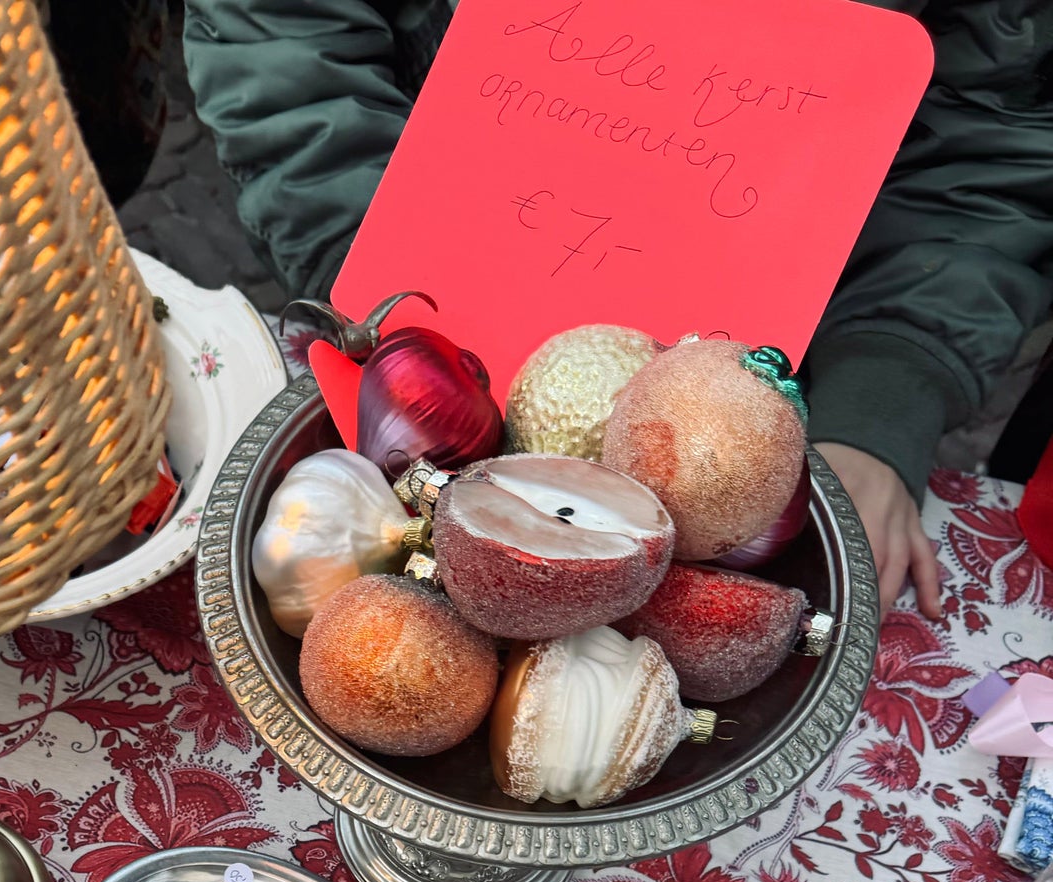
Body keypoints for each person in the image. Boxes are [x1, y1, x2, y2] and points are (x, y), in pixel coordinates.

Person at [183, 0, 1053, 618]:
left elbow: (989, 137)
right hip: (434, 331)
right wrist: (385, 279)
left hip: (759, 382)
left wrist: (882, 402)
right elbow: (282, 37)